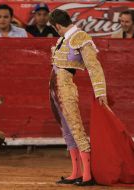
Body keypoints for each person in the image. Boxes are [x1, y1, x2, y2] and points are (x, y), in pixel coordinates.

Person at [48, 9, 108, 186]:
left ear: (57, 25)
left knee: (76, 129)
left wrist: (100, 92)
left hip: (66, 89)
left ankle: (87, 175)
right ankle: (76, 172)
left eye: (55, 28)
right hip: (54, 90)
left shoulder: (81, 38)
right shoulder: (62, 39)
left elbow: (94, 66)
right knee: (67, 131)